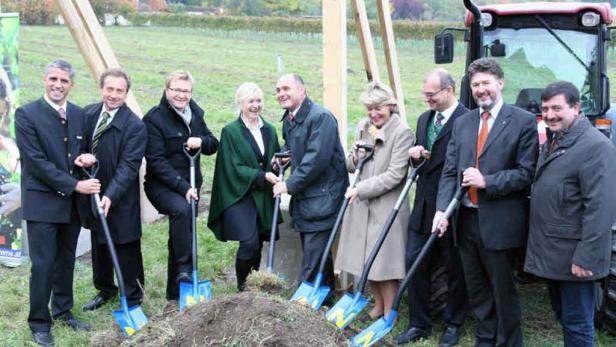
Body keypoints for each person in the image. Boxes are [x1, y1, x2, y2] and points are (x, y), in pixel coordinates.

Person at [433, 58, 538, 347]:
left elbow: (526, 173)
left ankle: (509, 342)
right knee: (477, 288)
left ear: (500, 83)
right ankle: (485, 337)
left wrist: (487, 181)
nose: (481, 89)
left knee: (503, 290)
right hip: (465, 221)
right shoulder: (464, 123)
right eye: (476, 84)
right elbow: (450, 172)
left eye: (486, 83)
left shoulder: (523, 122)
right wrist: (442, 210)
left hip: (500, 222)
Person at [15, 60, 100, 346]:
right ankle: (39, 322)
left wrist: (85, 158)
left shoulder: (79, 114)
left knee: (66, 261)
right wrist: (75, 184)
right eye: (53, 78)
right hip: (42, 202)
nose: (58, 85)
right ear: (44, 80)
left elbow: (79, 150)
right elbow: (36, 162)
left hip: (71, 206)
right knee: (43, 264)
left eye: (64, 81)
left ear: (71, 85)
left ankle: (63, 312)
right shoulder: (26, 114)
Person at [524, 81, 616, 346]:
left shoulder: (595, 148)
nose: (550, 114)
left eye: (557, 108)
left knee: (578, 325)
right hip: (556, 254)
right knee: (565, 317)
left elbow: (600, 209)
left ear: (576, 108)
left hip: (576, 258)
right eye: (545, 109)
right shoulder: (556, 140)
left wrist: (585, 257)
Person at [395, 69, 469, 346]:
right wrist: (415, 155)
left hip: (453, 206)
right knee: (414, 261)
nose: (427, 100)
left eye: (431, 95)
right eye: (425, 94)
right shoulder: (425, 119)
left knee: (454, 265)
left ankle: (453, 323)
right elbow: (423, 160)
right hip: (425, 205)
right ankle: (419, 323)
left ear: (449, 90)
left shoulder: (467, 120)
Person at [334, 81, 413, 320]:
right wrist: (356, 156)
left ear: (390, 106)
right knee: (367, 259)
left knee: (384, 265)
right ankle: (378, 304)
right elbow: (349, 163)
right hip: (362, 204)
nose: (373, 113)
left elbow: (395, 175)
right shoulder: (364, 127)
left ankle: (391, 310)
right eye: (369, 108)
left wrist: (361, 189)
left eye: (378, 108)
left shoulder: (402, 133)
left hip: (386, 206)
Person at [75, 68, 147, 312]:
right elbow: (79, 146)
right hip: (92, 188)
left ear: (126, 93)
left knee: (126, 243)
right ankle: (105, 289)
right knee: (100, 244)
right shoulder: (88, 114)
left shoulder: (134, 125)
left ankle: (134, 295)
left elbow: (129, 166)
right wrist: (80, 159)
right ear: (101, 89)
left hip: (120, 195)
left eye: (120, 90)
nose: (114, 95)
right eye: (110, 89)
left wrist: (111, 195)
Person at [143, 71, 218, 303]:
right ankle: (186, 268)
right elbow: (156, 161)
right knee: (182, 211)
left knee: (181, 232)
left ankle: (175, 293)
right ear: (167, 90)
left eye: (185, 91)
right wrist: (183, 187)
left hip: (192, 185)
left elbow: (213, 144)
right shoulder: (154, 119)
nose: (181, 95)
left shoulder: (195, 113)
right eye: (176, 89)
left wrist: (201, 141)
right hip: (162, 185)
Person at [272, 73, 348, 291]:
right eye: (278, 90)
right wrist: (283, 156)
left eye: (286, 88)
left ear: (302, 91)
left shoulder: (320, 118)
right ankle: (324, 297)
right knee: (317, 254)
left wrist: (289, 184)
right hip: (308, 196)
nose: (281, 94)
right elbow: (297, 148)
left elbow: (316, 160)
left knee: (312, 260)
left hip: (323, 196)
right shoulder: (291, 118)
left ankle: (301, 308)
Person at [207, 82, 280, 291]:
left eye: (259, 101)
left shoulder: (270, 130)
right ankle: (242, 286)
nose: (255, 106)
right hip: (239, 194)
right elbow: (232, 166)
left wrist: (278, 164)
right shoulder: (230, 131)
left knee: (258, 242)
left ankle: (253, 283)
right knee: (248, 241)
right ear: (240, 103)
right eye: (250, 101)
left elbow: (273, 160)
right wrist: (261, 175)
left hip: (262, 195)